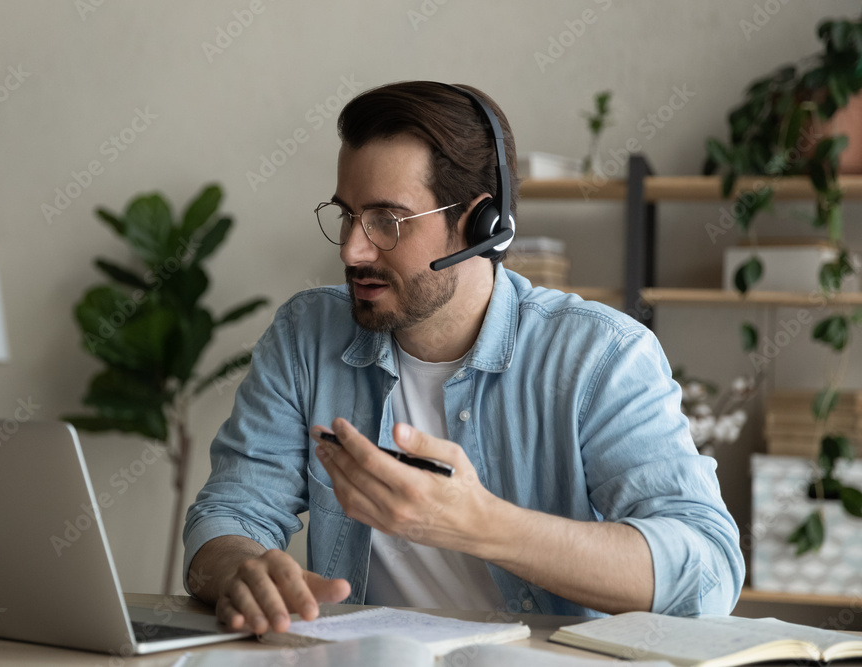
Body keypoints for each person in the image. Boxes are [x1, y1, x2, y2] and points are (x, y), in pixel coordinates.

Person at [182, 81, 744, 634]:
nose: (353, 249)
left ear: (481, 224)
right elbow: (230, 513)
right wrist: (242, 569)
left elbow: (708, 573)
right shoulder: (306, 336)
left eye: (386, 222)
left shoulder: (600, 355)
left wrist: (479, 524)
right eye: (347, 215)